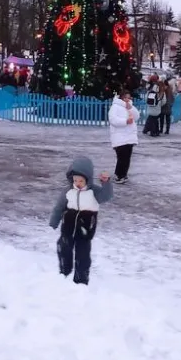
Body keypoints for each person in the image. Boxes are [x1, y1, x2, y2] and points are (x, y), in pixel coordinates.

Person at [47, 156, 114, 285]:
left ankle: (81, 279)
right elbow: (59, 207)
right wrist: (54, 221)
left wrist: (106, 183)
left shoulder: (94, 192)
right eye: (75, 179)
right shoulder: (68, 191)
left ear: (88, 179)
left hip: (85, 228)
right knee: (63, 247)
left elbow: (107, 196)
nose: (77, 183)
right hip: (68, 226)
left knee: (82, 254)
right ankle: (64, 272)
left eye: (81, 180)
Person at [108, 86, 140, 184]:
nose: (127, 99)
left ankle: (124, 174)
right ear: (121, 98)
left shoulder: (129, 106)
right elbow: (113, 120)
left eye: (129, 97)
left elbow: (137, 116)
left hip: (129, 136)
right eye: (125, 97)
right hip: (119, 137)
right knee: (122, 157)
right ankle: (119, 175)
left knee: (127, 157)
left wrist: (132, 109)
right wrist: (125, 121)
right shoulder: (115, 107)